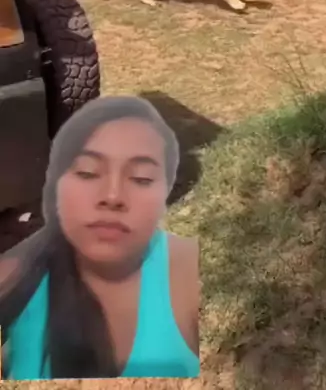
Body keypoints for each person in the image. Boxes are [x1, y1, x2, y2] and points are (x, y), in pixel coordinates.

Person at [0, 95, 200, 380]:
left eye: (141, 178)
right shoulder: (17, 272)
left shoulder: (190, 273)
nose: (113, 196)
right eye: (88, 172)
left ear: (165, 192)